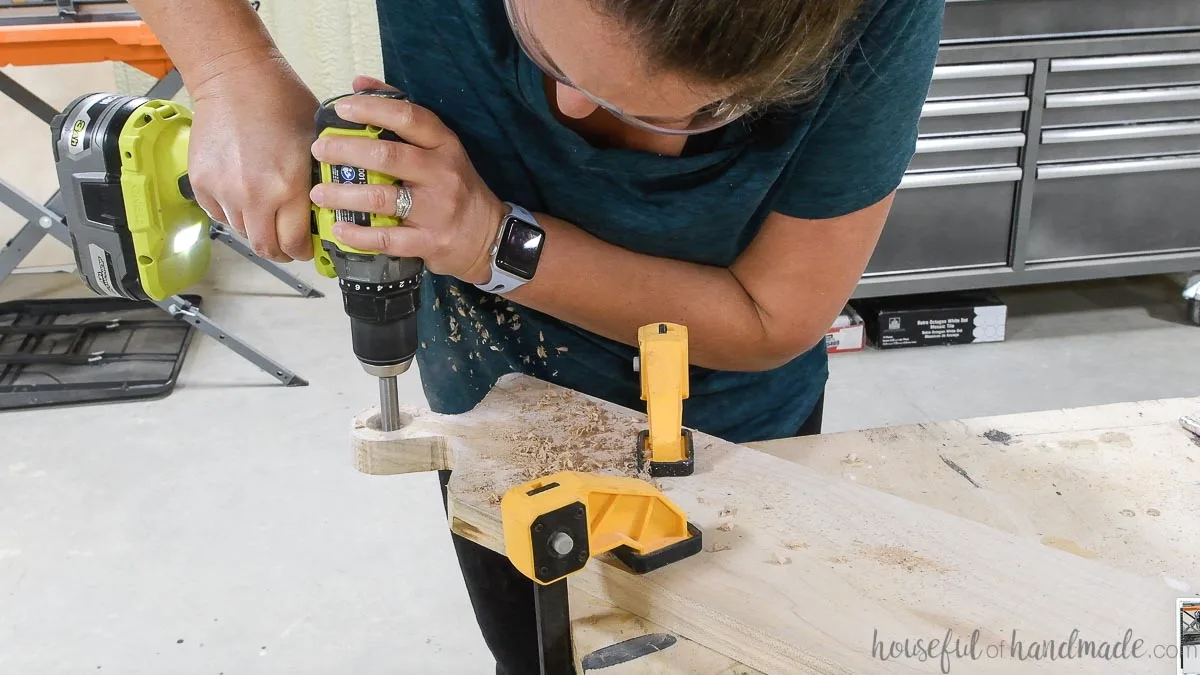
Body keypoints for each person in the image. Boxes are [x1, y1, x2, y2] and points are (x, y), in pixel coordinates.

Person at [129, 0, 944, 671]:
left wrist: (495, 242)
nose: (573, 111)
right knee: (536, 653)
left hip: (730, 427)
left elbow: (771, 319)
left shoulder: (881, 14)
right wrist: (231, 72)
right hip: (495, 407)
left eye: (698, 112)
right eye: (544, 57)